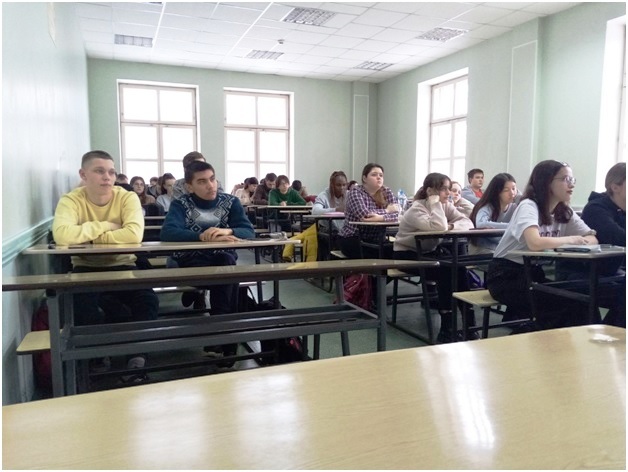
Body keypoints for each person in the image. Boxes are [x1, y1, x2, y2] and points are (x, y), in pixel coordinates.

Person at [52, 150, 159, 382]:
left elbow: (134, 235)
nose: (107, 177)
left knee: (148, 301)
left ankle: (137, 356)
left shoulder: (126, 197)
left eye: (111, 172)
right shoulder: (71, 200)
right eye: (99, 171)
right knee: (83, 308)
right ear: (83, 174)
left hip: (124, 266)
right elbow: (62, 235)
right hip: (85, 269)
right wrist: (107, 225)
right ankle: (98, 356)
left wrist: (89, 237)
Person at [486, 160, 598, 330]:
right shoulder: (528, 206)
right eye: (565, 179)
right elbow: (535, 242)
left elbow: (592, 239)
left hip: (533, 273)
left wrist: (574, 241)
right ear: (547, 182)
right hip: (505, 276)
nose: (571, 184)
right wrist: (571, 240)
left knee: (580, 301)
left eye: (572, 179)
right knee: (562, 306)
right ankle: (523, 338)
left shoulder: (563, 210)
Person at [160, 161, 255, 357]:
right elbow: (168, 232)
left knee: (226, 264)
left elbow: (249, 231)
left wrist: (229, 230)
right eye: (202, 182)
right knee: (230, 278)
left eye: (212, 179)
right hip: (192, 262)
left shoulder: (231, 202)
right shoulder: (181, 204)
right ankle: (226, 341)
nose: (210, 185)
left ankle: (220, 337)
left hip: (222, 261)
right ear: (189, 186)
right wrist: (202, 236)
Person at [393, 172, 477, 343]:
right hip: (406, 255)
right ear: (430, 191)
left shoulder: (446, 205)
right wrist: (435, 203)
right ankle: (447, 328)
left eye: (449, 189)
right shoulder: (416, 209)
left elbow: (468, 222)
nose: (448, 193)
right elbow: (438, 227)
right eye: (443, 189)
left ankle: (470, 325)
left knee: (459, 268)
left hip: (428, 253)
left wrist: (450, 225)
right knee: (445, 271)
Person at [579, 162, 626, 327]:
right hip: (583, 275)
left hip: (611, 274)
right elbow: (619, 238)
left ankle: (613, 332)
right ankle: (615, 334)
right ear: (615, 187)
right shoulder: (596, 209)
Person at [338, 163, 399, 259]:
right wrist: (387, 211)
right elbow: (365, 215)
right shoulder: (355, 192)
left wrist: (380, 217)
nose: (378, 177)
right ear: (364, 178)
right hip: (353, 238)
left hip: (377, 239)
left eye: (381, 175)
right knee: (379, 254)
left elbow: (397, 213)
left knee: (398, 251)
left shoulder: (386, 191)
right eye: (374, 175)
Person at [468, 173, 518, 255]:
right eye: (506, 190)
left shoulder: (514, 207)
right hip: (483, 248)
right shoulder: (487, 206)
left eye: (513, 188)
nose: (512, 193)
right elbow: (481, 224)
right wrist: (511, 226)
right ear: (497, 192)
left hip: (502, 248)